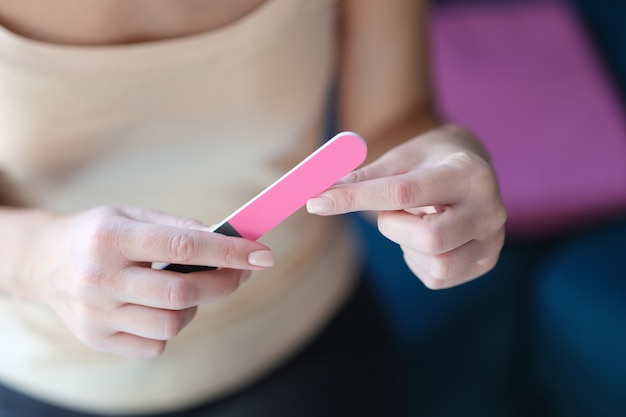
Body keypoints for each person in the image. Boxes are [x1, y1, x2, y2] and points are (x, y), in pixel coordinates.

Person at [0, 0, 507, 416]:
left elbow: (392, 125)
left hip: (297, 334)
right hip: (36, 368)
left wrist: (439, 172)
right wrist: (37, 259)